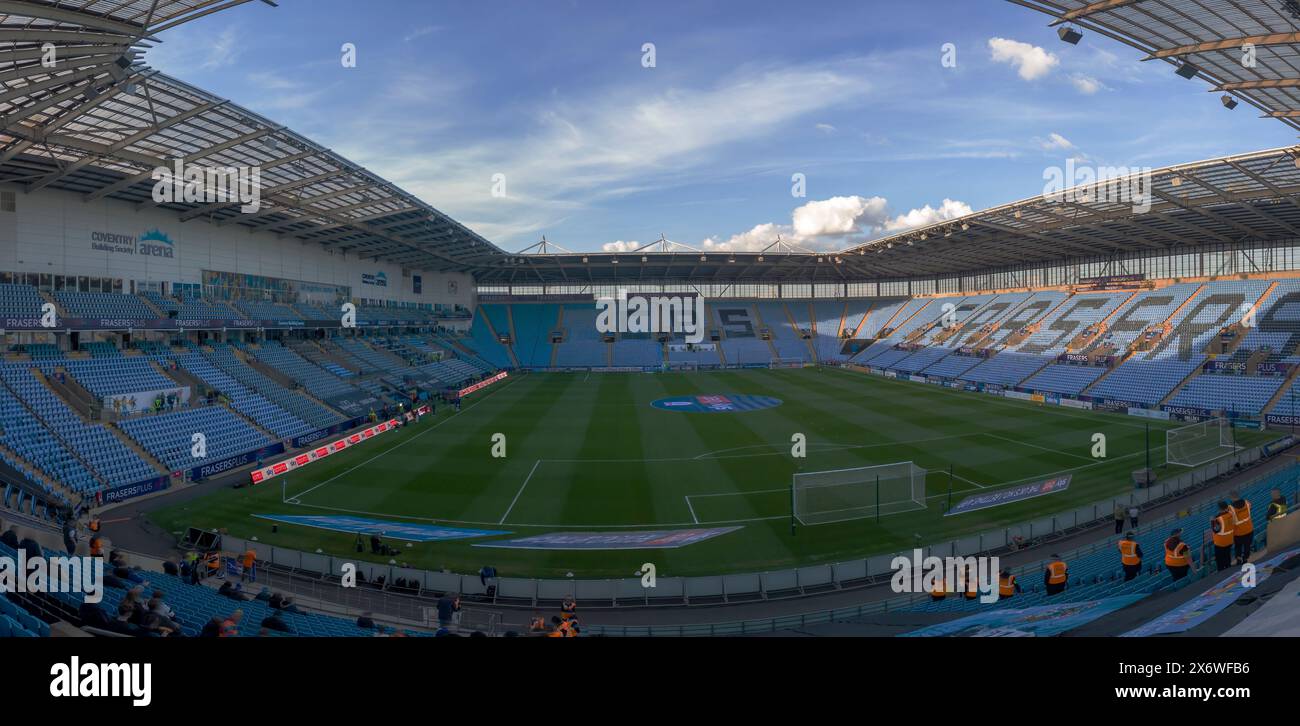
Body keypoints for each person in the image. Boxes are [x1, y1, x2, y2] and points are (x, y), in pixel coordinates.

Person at [1228, 490, 1254, 565]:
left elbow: (1230, 518)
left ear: (1231, 498)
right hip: (1249, 529)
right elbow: (1250, 507)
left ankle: (1239, 560)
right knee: (1247, 546)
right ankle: (1245, 558)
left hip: (1238, 533)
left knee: (1238, 547)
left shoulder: (1230, 508)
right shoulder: (1246, 502)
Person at [1211, 501, 1236, 572]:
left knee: (1220, 561)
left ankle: (1222, 573)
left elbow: (1215, 530)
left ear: (1219, 508)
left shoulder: (1218, 519)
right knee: (1227, 556)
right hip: (1230, 539)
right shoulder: (1231, 514)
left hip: (1220, 543)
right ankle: (1229, 569)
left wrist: (1212, 521)